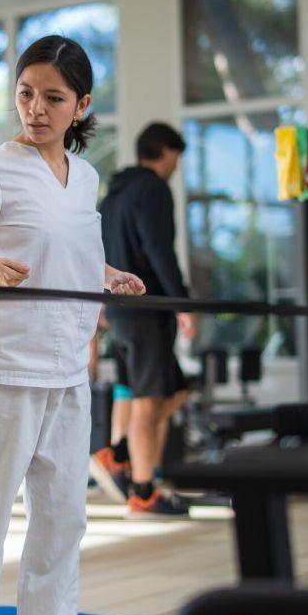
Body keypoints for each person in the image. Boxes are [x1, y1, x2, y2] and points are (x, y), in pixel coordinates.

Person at [0, 36, 144, 615]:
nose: (35, 109)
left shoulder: (86, 177)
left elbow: (68, 251)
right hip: (3, 370)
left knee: (62, 521)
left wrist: (106, 274)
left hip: (68, 371)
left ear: (81, 105)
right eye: (25, 93)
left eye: (53, 97)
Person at [93, 123, 194, 519]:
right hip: (145, 309)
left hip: (121, 312)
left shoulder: (115, 193)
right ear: (166, 152)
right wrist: (182, 303)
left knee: (170, 391)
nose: (175, 167)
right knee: (150, 403)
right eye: (176, 158)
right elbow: (159, 252)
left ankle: (119, 454)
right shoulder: (152, 189)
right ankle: (144, 491)